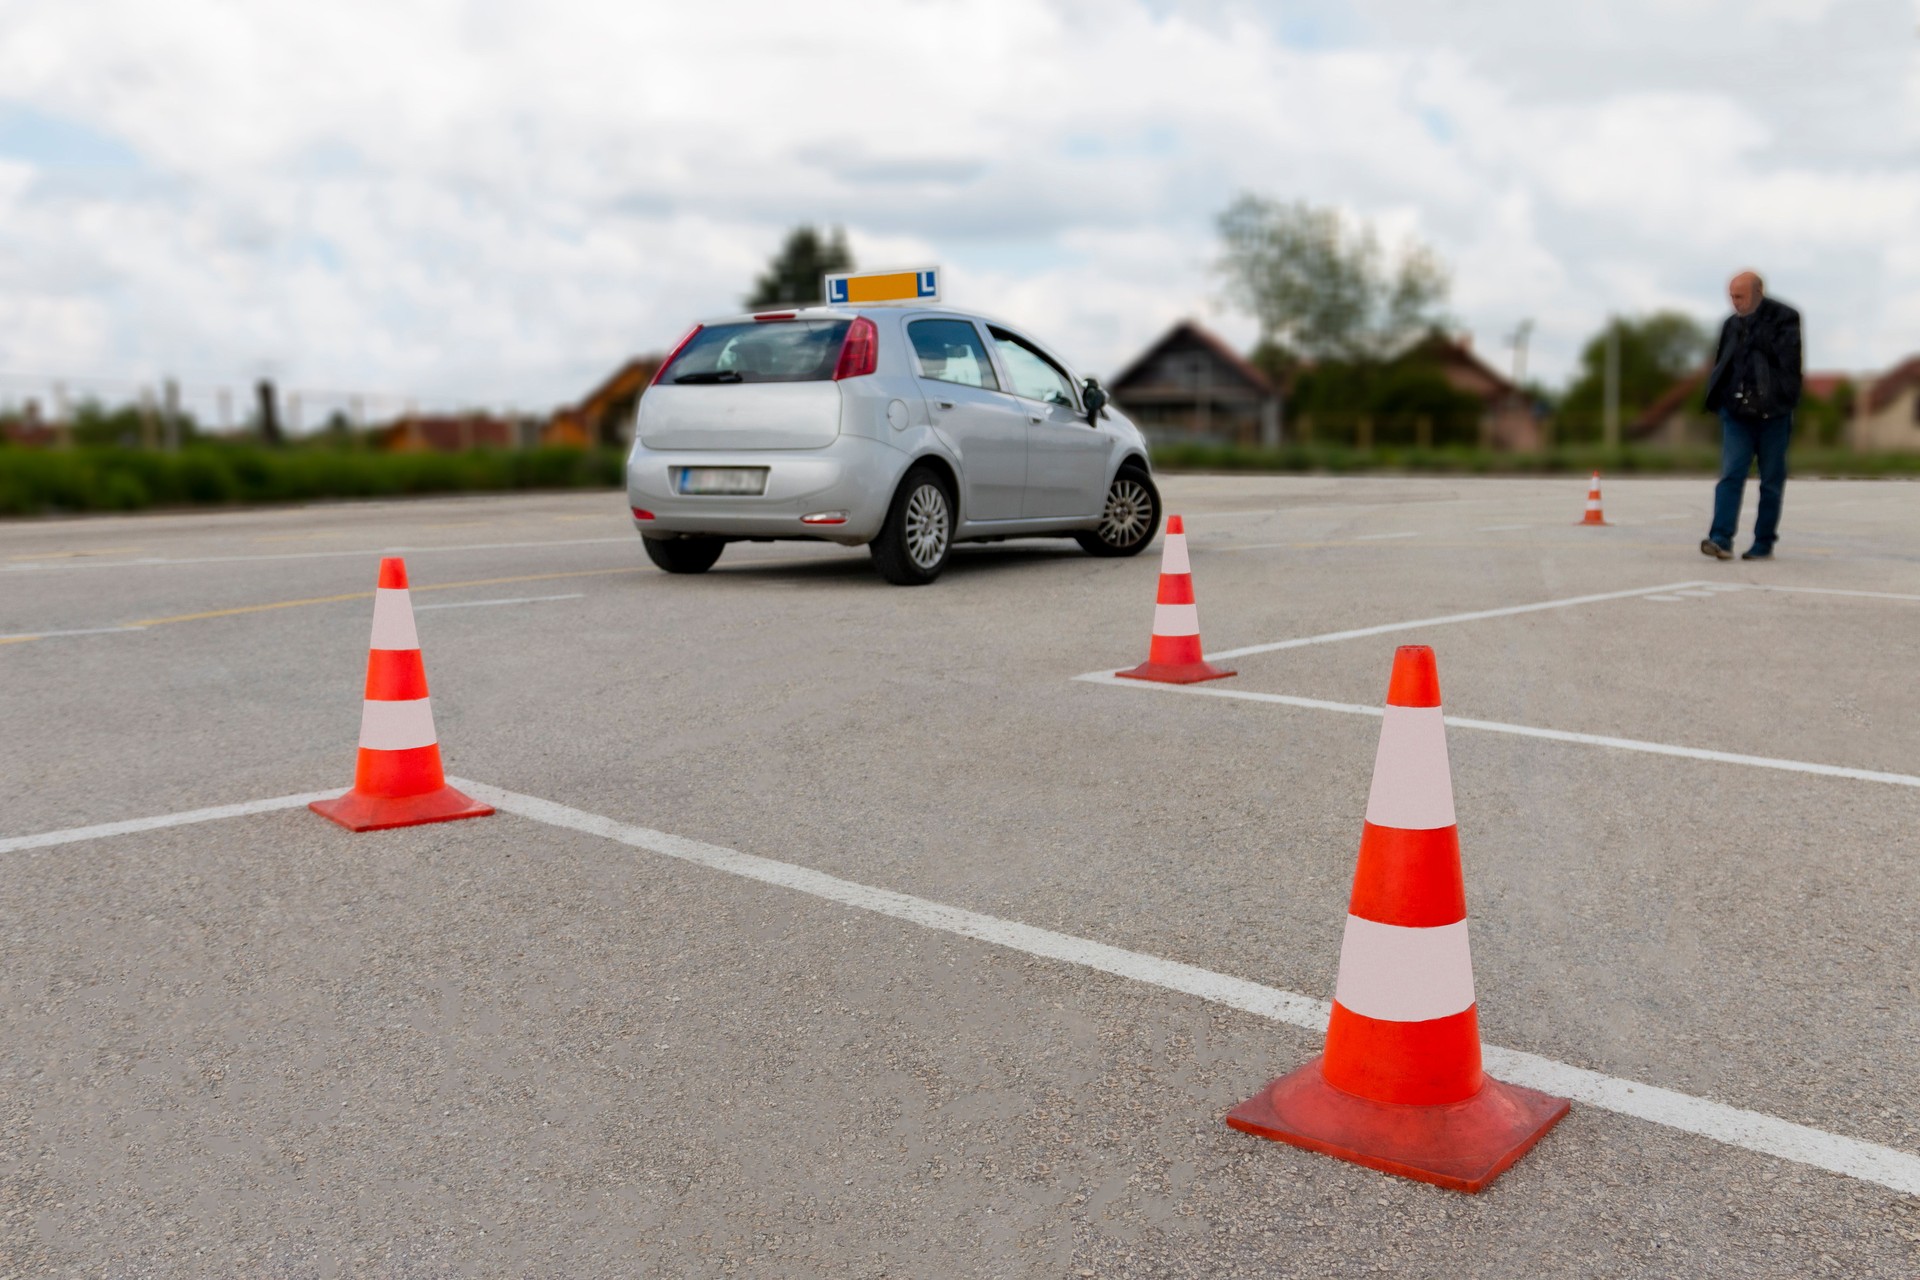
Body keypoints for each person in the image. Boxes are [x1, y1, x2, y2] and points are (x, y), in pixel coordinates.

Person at [1700, 271, 1801, 561]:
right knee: (1731, 476)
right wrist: (1718, 398)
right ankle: (1720, 539)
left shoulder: (1785, 318)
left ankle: (1763, 543)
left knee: (1770, 481)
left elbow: (1787, 359)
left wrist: (1755, 325)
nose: (1734, 303)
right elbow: (1724, 362)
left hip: (1774, 414)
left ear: (1758, 293)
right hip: (1736, 414)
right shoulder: (1731, 324)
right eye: (1731, 296)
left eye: (1739, 296)